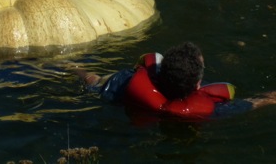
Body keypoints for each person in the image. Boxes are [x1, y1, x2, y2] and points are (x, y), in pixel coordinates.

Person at [75, 42, 276, 119]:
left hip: (119, 103)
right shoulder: (210, 109)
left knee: (93, 79)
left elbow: (95, 82)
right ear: (197, 85)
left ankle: (71, 67)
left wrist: (80, 71)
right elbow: (252, 103)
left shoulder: (129, 80)